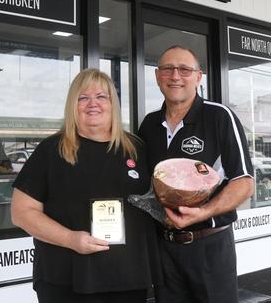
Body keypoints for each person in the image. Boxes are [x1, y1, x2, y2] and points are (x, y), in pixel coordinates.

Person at [11, 68, 160, 303]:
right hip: (65, 279)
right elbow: (21, 213)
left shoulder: (137, 149)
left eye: (101, 96)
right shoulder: (51, 151)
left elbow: (156, 202)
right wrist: (71, 239)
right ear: (73, 104)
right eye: (83, 97)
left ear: (113, 103)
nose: (93, 104)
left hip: (128, 279)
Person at [138, 45, 254, 303]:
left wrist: (203, 212)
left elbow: (244, 182)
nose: (175, 76)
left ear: (198, 77)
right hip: (164, 247)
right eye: (167, 69)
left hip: (209, 247)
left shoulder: (219, 117)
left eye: (184, 69)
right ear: (158, 76)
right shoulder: (148, 126)